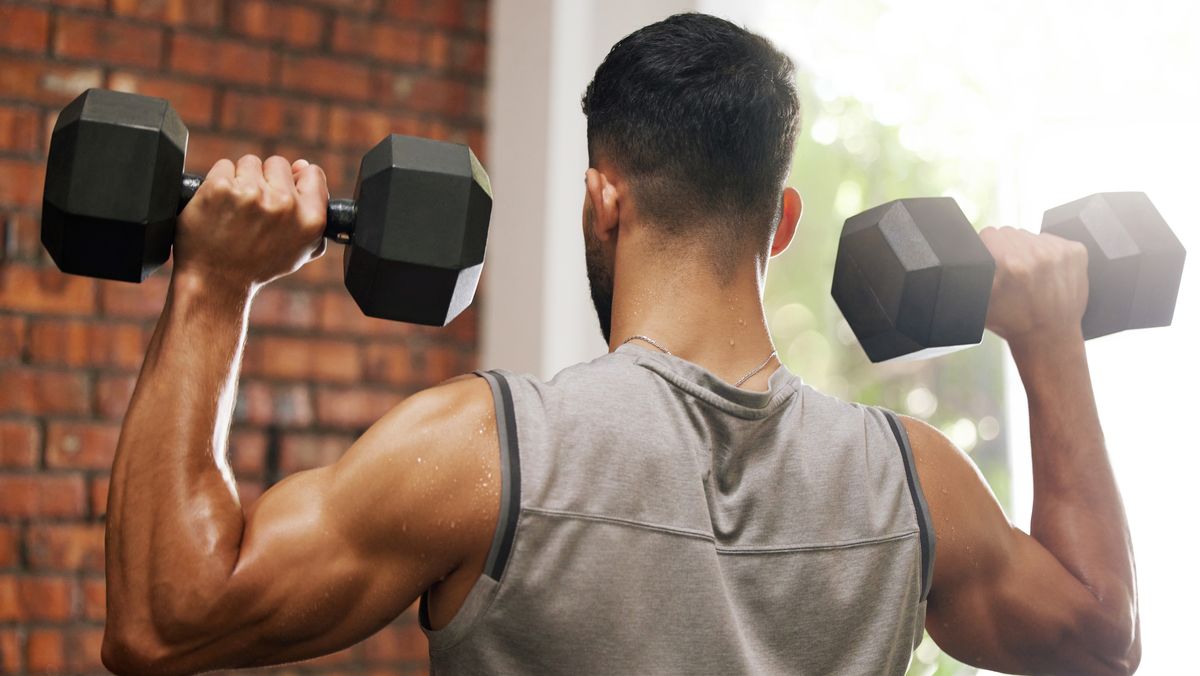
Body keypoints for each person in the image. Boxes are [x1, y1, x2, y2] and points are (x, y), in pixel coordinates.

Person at [100, 13, 1139, 676]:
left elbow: (164, 621)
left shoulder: (484, 458)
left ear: (603, 200)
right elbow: (1102, 637)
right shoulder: (913, 487)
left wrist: (215, 281)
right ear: (779, 220)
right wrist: (1048, 338)